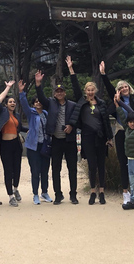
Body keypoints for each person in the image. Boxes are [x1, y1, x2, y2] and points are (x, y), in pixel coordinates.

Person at [66, 56, 113, 205]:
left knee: (101, 165)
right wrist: (71, 69)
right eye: (88, 90)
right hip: (87, 137)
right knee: (92, 165)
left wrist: (109, 137)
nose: (90, 92)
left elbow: (105, 121)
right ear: (85, 91)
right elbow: (75, 86)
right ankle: (93, 191)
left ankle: (102, 192)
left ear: (96, 91)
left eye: (93, 90)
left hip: (100, 137)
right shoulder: (82, 102)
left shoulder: (102, 104)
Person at [100, 61, 134, 205]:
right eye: (121, 87)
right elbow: (108, 88)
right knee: (123, 162)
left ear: (129, 88)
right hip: (120, 132)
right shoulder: (115, 101)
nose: (124, 88)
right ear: (118, 90)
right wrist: (104, 74)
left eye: (126, 86)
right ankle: (126, 191)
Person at [35, 70, 78, 205]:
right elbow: (41, 97)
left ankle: (73, 194)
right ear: (54, 94)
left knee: (72, 168)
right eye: (57, 91)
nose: (59, 93)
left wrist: (71, 125)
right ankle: (58, 194)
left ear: (64, 93)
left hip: (69, 140)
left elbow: (77, 118)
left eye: (61, 91)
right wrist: (38, 83)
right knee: (55, 168)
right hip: (56, 140)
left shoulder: (72, 105)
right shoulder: (51, 103)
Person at [0, 76, 25, 207]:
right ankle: (10, 196)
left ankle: (16, 188)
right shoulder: (2, 112)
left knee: (17, 169)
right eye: (10, 102)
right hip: (5, 145)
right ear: (6, 104)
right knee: (8, 170)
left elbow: (21, 127)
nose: (12, 103)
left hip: (16, 144)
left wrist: (32, 129)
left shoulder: (17, 116)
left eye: (14, 102)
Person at [18, 80, 53, 205]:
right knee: (35, 170)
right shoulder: (31, 114)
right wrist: (21, 92)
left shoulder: (46, 114)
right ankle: (35, 194)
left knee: (45, 170)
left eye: (39, 101)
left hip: (45, 145)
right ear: (33, 104)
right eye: (35, 102)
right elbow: (24, 104)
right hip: (33, 146)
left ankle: (45, 192)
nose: (38, 103)